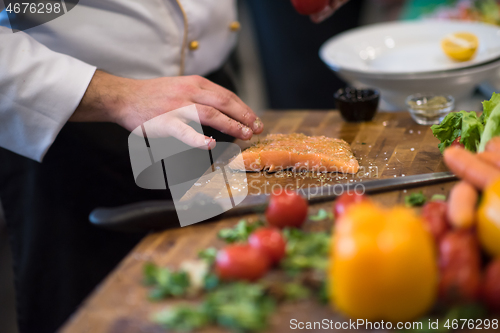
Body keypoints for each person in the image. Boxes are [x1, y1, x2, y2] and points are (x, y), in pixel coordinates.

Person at [0, 1, 347, 331]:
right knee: (101, 313)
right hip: (75, 124)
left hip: (206, 100)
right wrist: (114, 94)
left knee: (222, 300)